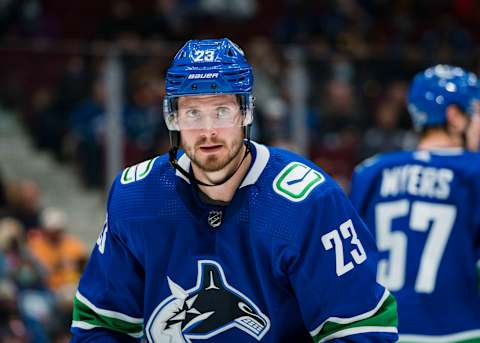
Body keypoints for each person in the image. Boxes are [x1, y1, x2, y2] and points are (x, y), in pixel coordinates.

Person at [70, 38, 398, 342]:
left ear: (245, 111)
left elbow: (362, 326)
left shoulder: (310, 202)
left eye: (222, 111)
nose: (208, 130)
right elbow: (100, 323)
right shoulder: (136, 196)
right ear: (174, 117)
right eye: (193, 112)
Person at [350, 64, 480, 342]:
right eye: (477, 112)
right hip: (459, 331)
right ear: (455, 116)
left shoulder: (370, 171)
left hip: (383, 330)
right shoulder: (474, 171)